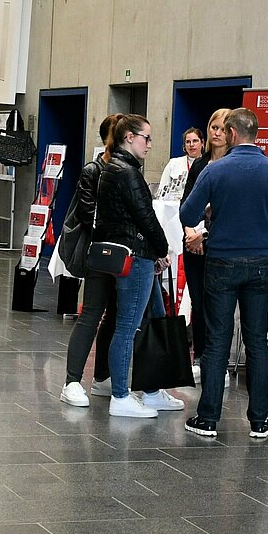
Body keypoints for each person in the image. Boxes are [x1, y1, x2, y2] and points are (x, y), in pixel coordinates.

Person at [180, 108, 268, 439]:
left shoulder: (215, 171)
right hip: (260, 265)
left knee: (218, 339)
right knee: (257, 341)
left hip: (220, 262)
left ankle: (207, 419)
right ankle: (260, 421)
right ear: (255, 134)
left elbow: (187, 212)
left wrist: (211, 216)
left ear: (232, 134)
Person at [85, 114, 173, 419]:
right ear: (128, 138)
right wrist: (162, 249)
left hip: (136, 254)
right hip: (136, 257)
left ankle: (151, 389)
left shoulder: (114, 168)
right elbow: (145, 217)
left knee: (155, 318)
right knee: (127, 327)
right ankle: (121, 396)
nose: (150, 144)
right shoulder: (127, 173)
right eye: (145, 138)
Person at [59, 114, 123, 406]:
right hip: (102, 251)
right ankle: (72, 380)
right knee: (92, 312)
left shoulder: (127, 169)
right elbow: (88, 214)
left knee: (113, 314)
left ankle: (102, 377)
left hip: (124, 254)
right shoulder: (93, 170)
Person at [180, 109, 232, 381]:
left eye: (222, 128)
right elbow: (187, 204)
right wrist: (192, 232)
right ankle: (199, 357)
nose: (216, 132)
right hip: (192, 243)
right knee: (198, 302)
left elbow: (227, 212)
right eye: (213, 126)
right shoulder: (200, 165)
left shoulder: (234, 165)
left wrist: (204, 236)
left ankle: (217, 360)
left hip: (218, 246)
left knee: (216, 306)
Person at [157, 127, 203, 199]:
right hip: (175, 207)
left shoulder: (209, 163)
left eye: (195, 141)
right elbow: (162, 190)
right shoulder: (173, 163)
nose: (191, 144)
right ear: (184, 145)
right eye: (188, 142)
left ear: (202, 143)